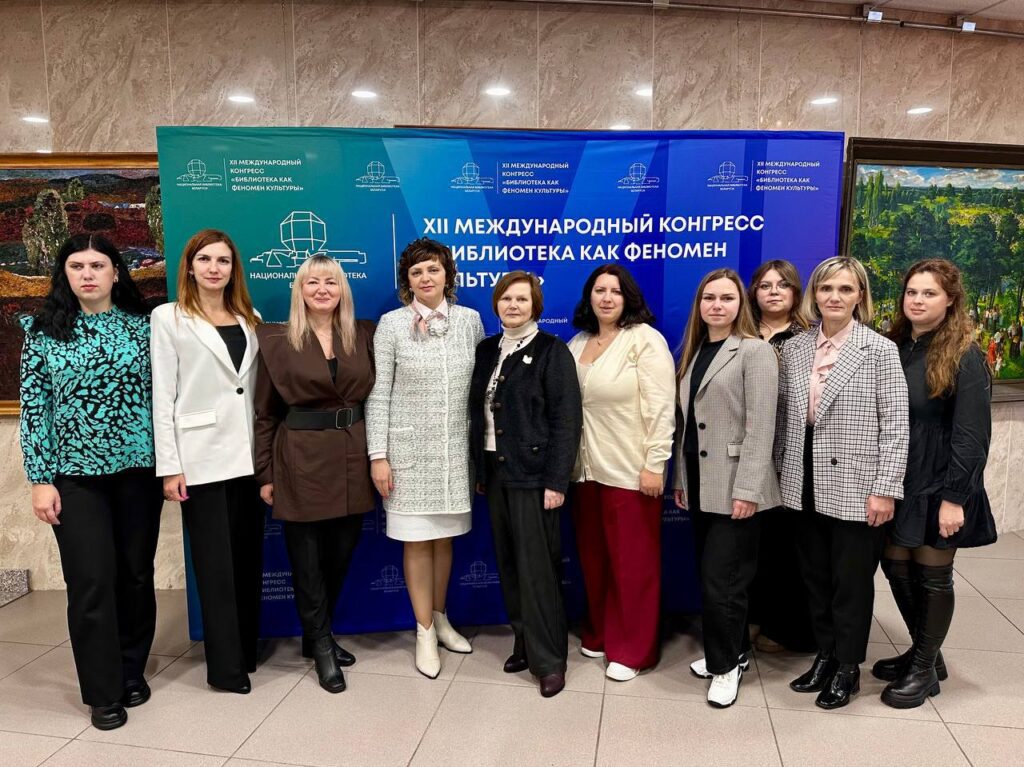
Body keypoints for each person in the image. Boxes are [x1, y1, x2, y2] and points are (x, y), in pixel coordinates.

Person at [19, 233, 162, 731]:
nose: (87, 274)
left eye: (97, 265)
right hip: (75, 479)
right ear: (65, 275)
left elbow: (168, 398)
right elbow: (35, 410)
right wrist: (40, 479)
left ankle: (131, 669)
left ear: (115, 273)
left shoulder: (145, 328)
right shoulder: (42, 332)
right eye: (77, 266)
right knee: (91, 580)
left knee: (135, 575)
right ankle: (103, 691)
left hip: (139, 472)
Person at [775, 256, 909, 710]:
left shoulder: (879, 350)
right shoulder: (795, 348)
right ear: (814, 294)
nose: (834, 297)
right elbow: (784, 418)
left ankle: (848, 668)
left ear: (860, 296)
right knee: (815, 578)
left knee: (850, 583)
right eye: (826, 288)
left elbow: (896, 426)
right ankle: (826, 655)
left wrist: (885, 488)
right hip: (802, 478)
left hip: (858, 484)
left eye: (845, 289)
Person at [876, 259, 995, 708]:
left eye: (929, 293)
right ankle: (926, 655)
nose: (918, 300)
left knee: (932, 575)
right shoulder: (895, 345)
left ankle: (923, 670)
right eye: (912, 292)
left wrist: (954, 499)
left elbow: (971, 435)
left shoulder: (965, 353)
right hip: (898, 477)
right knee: (895, 565)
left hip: (939, 480)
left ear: (950, 300)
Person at [254, 256, 376, 693]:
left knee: (340, 553)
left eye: (331, 282)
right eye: (312, 282)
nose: (322, 289)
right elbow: (265, 412)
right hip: (299, 457)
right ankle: (321, 644)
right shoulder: (275, 338)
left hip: (352, 455)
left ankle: (315, 633)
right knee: (306, 560)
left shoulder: (364, 333)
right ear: (299, 290)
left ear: (342, 289)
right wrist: (265, 473)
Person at [151, 229, 264, 694]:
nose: (214, 268)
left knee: (247, 560)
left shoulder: (250, 318)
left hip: (248, 457)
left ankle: (246, 651)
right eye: (205, 259)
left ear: (234, 269)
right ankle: (225, 668)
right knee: (215, 568)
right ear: (190, 266)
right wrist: (169, 466)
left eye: (223, 260)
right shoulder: (168, 317)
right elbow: (163, 395)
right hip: (199, 459)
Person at [366, 238, 484, 678]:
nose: (425, 278)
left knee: (444, 539)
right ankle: (423, 633)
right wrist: (378, 455)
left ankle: (442, 618)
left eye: (433, 269)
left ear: (448, 275)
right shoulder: (392, 324)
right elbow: (378, 394)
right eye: (417, 272)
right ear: (407, 281)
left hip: (455, 456)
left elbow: (480, 389)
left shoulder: (470, 321)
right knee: (417, 542)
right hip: (407, 456)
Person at [469, 271, 582, 698]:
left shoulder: (552, 350)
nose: (513, 306)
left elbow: (567, 421)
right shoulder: (486, 350)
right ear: (496, 304)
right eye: (506, 299)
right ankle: (523, 642)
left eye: (521, 299)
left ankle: (549, 660)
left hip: (535, 477)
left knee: (538, 570)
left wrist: (556, 481)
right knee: (509, 564)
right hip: (495, 472)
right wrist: (481, 473)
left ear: (536, 306)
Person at [673, 268, 781, 708]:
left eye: (726, 298)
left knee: (725, 583)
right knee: (713, 577)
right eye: (709, 298)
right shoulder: (694, 351)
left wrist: (748, 490)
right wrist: (681, 480)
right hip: (701, 483)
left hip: (737, 485)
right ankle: (732, 653)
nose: (717, 305)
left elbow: (761, 426)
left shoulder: (755, 351)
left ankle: (724, 668)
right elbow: (687, 427)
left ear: (741, 305)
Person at [567, 264, 676, 682]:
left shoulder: (644, 340)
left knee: (633, 566)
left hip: (631, 473)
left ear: (628, 297)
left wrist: (655, 464)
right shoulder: (578, 343)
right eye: (599, 290)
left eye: (615, 291)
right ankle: (599, 632)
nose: (607, 298)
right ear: (589, 297)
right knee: (595, 561)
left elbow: (661, 408)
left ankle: (633, 649)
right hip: (585, 473)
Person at [745, 260, 816, 655]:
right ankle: (752, 618)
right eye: (765, 285)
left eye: (782, 285)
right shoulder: (740, 333)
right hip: (745, 454)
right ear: (753, 293)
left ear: (795, 292)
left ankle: (784, 627)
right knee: (751, 545)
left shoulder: (810, 339)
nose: (773, 292)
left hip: (791, 454)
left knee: (787, 548)